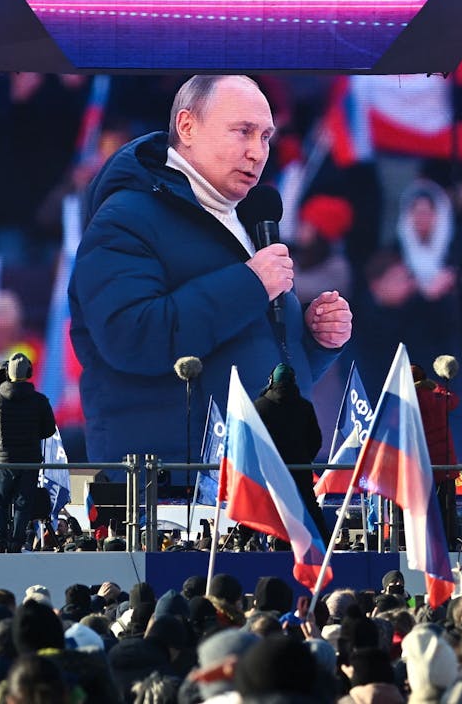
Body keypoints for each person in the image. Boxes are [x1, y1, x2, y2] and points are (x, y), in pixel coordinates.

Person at [69, 75, 351, 465]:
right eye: (243, 132)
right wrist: (250, 285)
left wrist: (316, 345)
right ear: (187, 127)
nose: (258, 152)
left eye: (266, 137)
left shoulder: (247, 223)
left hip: (263, 475)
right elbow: (131, 338)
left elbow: (250, 360)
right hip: (172, 488)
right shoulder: (124, 219)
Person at [0, 352, 57, 553]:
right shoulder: (40, 401)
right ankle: (16, 544)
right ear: (29, 372)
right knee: (23, 504)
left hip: (3, 462)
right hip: (29, 462)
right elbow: (49, 430)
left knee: (0, 503)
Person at [252, 363, 327, 534]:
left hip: (269, 470)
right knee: (309, 507)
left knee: (258, 504)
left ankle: (240, 544)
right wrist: (303, 458)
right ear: (294, 382)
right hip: (299, 469)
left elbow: (252, 441)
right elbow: (316, 440)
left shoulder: (259, 406)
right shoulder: (304, 407)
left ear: (271, 381)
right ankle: (326, 546)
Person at [413, 363, 460, 543]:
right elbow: (453, 400)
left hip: (419, 467)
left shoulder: (407, 399)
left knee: (421, 510)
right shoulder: (439, 398)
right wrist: (436, 386)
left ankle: (420, 544)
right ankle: (450, 544)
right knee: (447, 509)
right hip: (444, 465)